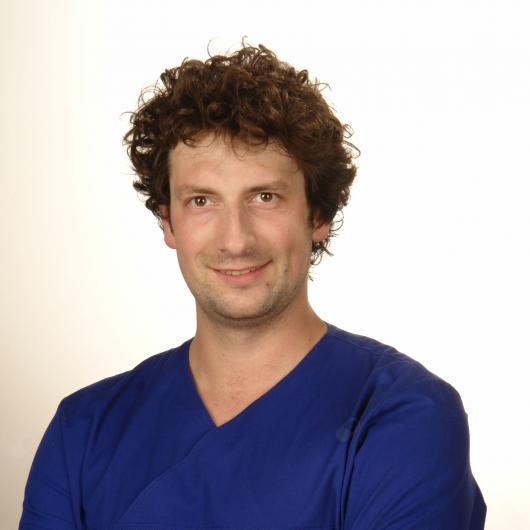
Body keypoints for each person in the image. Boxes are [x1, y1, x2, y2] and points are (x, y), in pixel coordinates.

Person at [19, 44, 486, 529]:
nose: (235, 240)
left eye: (265, 197)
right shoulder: (84, 432)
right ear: (168, 222)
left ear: (318, 214)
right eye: (202, 201)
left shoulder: (402, 415)